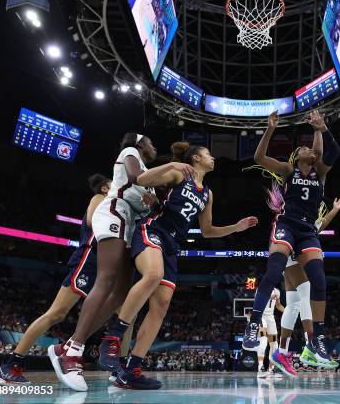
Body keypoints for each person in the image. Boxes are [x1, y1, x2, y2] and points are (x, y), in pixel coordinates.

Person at [108, 142, 257, 389]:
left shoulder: (207, 193)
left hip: (172, 245)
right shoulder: (180, 172)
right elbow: (142, 178)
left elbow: (207, 231)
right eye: (209, 154)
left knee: (162, 305)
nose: (214, 159)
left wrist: (235, 227)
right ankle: (112, 337)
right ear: (196, 158)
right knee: (153, 274)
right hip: (154, 229)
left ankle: (133, 369)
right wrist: (172, 164)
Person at [0, 175, 133, 385]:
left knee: (127, 314)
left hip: (106, 265)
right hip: (89, 259)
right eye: (114, 184)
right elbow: (92, 220)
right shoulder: (99, 199)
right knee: (56, 313)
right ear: (105, 188)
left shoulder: (122, 208)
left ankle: (119, 369)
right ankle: (10, 365)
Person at [49, 133, 162, 392]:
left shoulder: (146, 171)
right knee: (107, 279)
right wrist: (166, 172)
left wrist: (153, 199)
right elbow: (134, 178)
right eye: (151, 143)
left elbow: (151, 204)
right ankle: (73, 352)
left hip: (129, 222)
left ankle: (65, 346)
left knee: (121, 292)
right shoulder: (130, 153)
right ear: (140, 143)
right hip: (114, 213)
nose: (154, 147)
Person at [242, 110, 339, 378]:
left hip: (308, 231)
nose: (310, 149)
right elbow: (259, 158)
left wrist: (322, 128)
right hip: (286, 226)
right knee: (274, 272)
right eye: (305, 147)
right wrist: (270, 129)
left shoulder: (320, 172)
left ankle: (317, 338)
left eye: (311, 147)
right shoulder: (288, 170)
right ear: (298, 157)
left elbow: (334, 151)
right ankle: (252, 325)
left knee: (318, 280)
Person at [276, 193, 340, 370]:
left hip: (289, 256)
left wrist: (335, 210)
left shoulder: (302, 215)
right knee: (308, 290)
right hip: (292, 253)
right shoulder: (292, 212)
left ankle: (282, 353)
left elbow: (318, 226)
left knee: (293, 304)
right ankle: (311, 346)